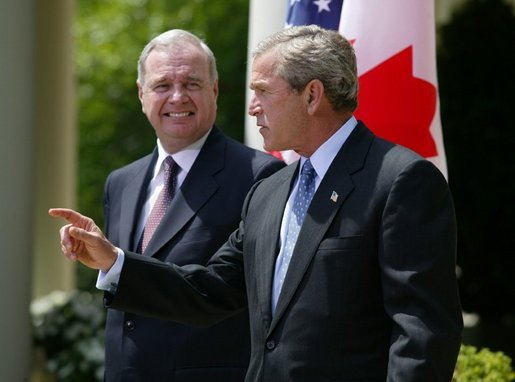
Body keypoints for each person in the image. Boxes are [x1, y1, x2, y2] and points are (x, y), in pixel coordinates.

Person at [50, 25, 463, 381]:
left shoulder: (399, 180)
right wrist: (114, 262)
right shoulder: (270, 191)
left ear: (312, 95)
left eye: (263, 91)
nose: (252, 107)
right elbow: (210, 292)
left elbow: (422, 333)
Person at [78, 29, 284, 382]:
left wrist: (116, 263)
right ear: (141, 94)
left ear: (214, 91)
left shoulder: (260, 176)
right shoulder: (121, 182)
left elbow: (236, 293)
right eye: (162, 86)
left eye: (191, 83)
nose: (177, 97)